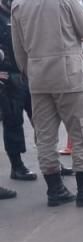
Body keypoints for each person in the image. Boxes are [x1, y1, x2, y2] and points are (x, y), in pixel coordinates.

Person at [11, 0, 83, 207]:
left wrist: (30, 71)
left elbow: (18, 48)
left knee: (45, 136)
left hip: (38, 78)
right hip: (69, 75)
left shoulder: (18, 4)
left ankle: (55, 190)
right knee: (81, 132)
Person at [0, 0, 36, 182]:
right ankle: (17, 166)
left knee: (42, 120)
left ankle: (50, 161)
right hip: (8, 77)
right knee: (13, 122)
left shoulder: (22, 12)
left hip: (28, 73)